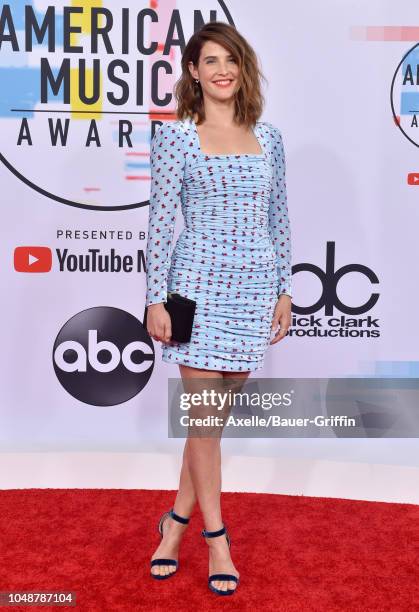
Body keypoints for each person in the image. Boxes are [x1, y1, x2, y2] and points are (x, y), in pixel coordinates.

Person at [144, 21, 292, 596]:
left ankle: (173, 523)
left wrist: (283, 287)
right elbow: (159, 225)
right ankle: (216, 540)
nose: (221, 70)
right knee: (204, 425)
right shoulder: (177, 137)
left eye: (230, 59)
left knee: (209, 427)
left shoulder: (269, 137)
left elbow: (278, 218)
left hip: (253, 289)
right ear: (193, 72)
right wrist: (155, 298)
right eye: (210, 61)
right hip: (196, 290)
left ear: (242, 67)